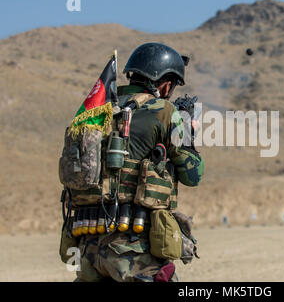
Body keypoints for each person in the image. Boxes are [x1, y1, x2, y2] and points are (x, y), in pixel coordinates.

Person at [74, 43, 204, 282]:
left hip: (87, 245)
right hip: (133, 249)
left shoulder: (99, 109)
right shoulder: (164, 111)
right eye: (172, 85)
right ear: (165, 82)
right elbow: (193, 175)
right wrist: (189, 135)